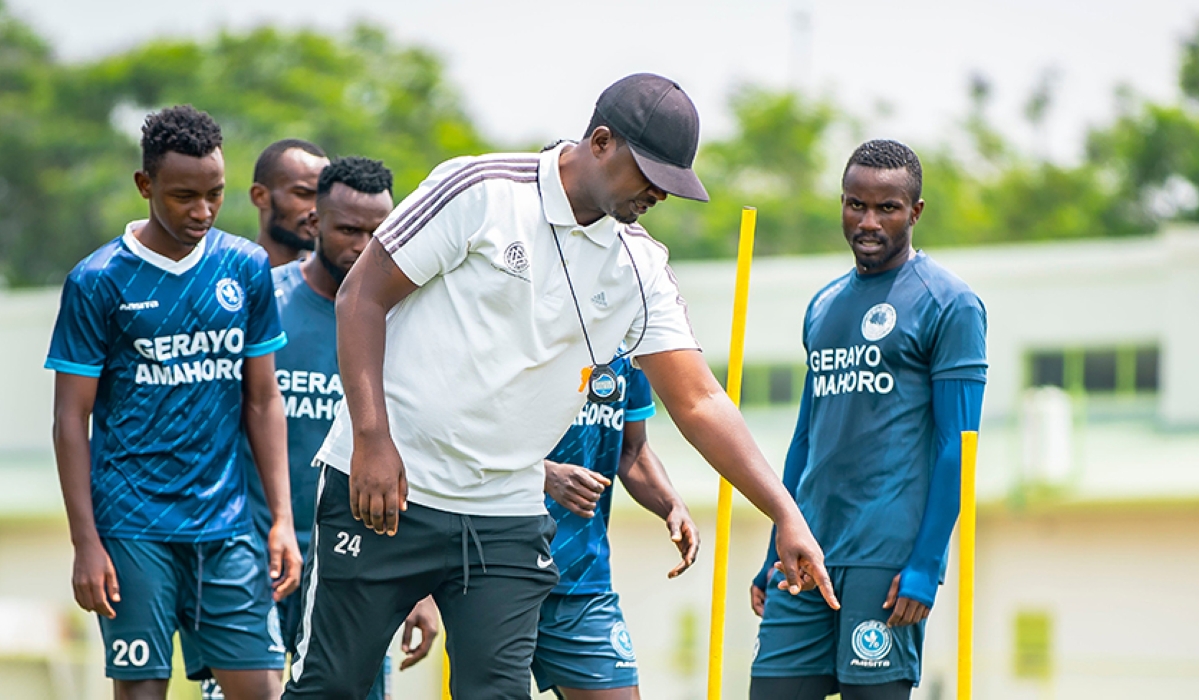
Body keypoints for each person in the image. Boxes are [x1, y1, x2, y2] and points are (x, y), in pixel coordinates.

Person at [283, 72, 837, 700]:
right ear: (601, 142)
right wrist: (371, 441)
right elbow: (361, 296)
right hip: (390, 490)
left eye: (672, 182)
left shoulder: (640, 264)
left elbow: (699, 398)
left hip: (505, 513)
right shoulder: (483, 190)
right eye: (650, 173)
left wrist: (785, 514)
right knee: (330, 688)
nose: (660, 193)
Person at [45, 105, 302, 700]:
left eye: (214, 194)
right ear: (145, 185)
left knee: (261, 688)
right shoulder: (98, 280)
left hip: (228, 523)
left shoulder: (245, 265)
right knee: (142, 691)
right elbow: (68, 419)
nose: (203, 211)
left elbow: (263, 399)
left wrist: (281, 520)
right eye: (185, 196)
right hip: (132, 526)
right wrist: (86, 542)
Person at [748, 140, 988, 700]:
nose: (868, 222)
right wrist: (774, 546)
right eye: (856, 205)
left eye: (888, 208)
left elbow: (957, 447)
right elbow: (806, 438)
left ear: (916, 212)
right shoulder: (823, 305)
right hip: (807, 551)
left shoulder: (950, 304)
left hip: (887, 559)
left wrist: (927, 563)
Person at [200, 158, 440, 700]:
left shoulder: (406, 320)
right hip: (255, 558)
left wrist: (419, 585)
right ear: (315, 225)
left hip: (358, 563)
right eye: (348, 230)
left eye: (378, 233)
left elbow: (420, 443)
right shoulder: (264, 302)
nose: (363, 245)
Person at [534, 354, 698, 699]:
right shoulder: (525, 321)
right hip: (498, 569)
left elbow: (632, 449)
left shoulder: (629, 348)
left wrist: (672, 505)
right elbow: (469, 435)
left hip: (582, 579)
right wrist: (544, 474)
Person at [250, 139, 330, 267]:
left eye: (322, 198)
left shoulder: (337, 283)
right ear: (259, 196)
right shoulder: (232, 277)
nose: (316, 209)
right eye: (303, 194)